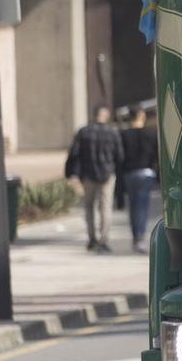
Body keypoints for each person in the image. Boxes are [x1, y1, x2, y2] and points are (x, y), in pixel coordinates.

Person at [63, 106, 123, 254]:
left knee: (89, 207)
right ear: (106, 115)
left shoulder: (83, 132)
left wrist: (70, 172)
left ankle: (92, 238)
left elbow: (73, 153)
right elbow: (120, 155)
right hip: (107, 175)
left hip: (88, 175)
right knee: (105, 208)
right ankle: (103, 240)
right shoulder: (112, 132)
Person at [119, 107, 159, 254]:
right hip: (146, 173)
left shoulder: (123, 135)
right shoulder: (151, 133)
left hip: (129, 173)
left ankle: (135, 236)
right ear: (141, 117)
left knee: (133, 206)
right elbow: (157, 155)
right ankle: (140, 237)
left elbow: (120, 157)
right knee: (142, 206)